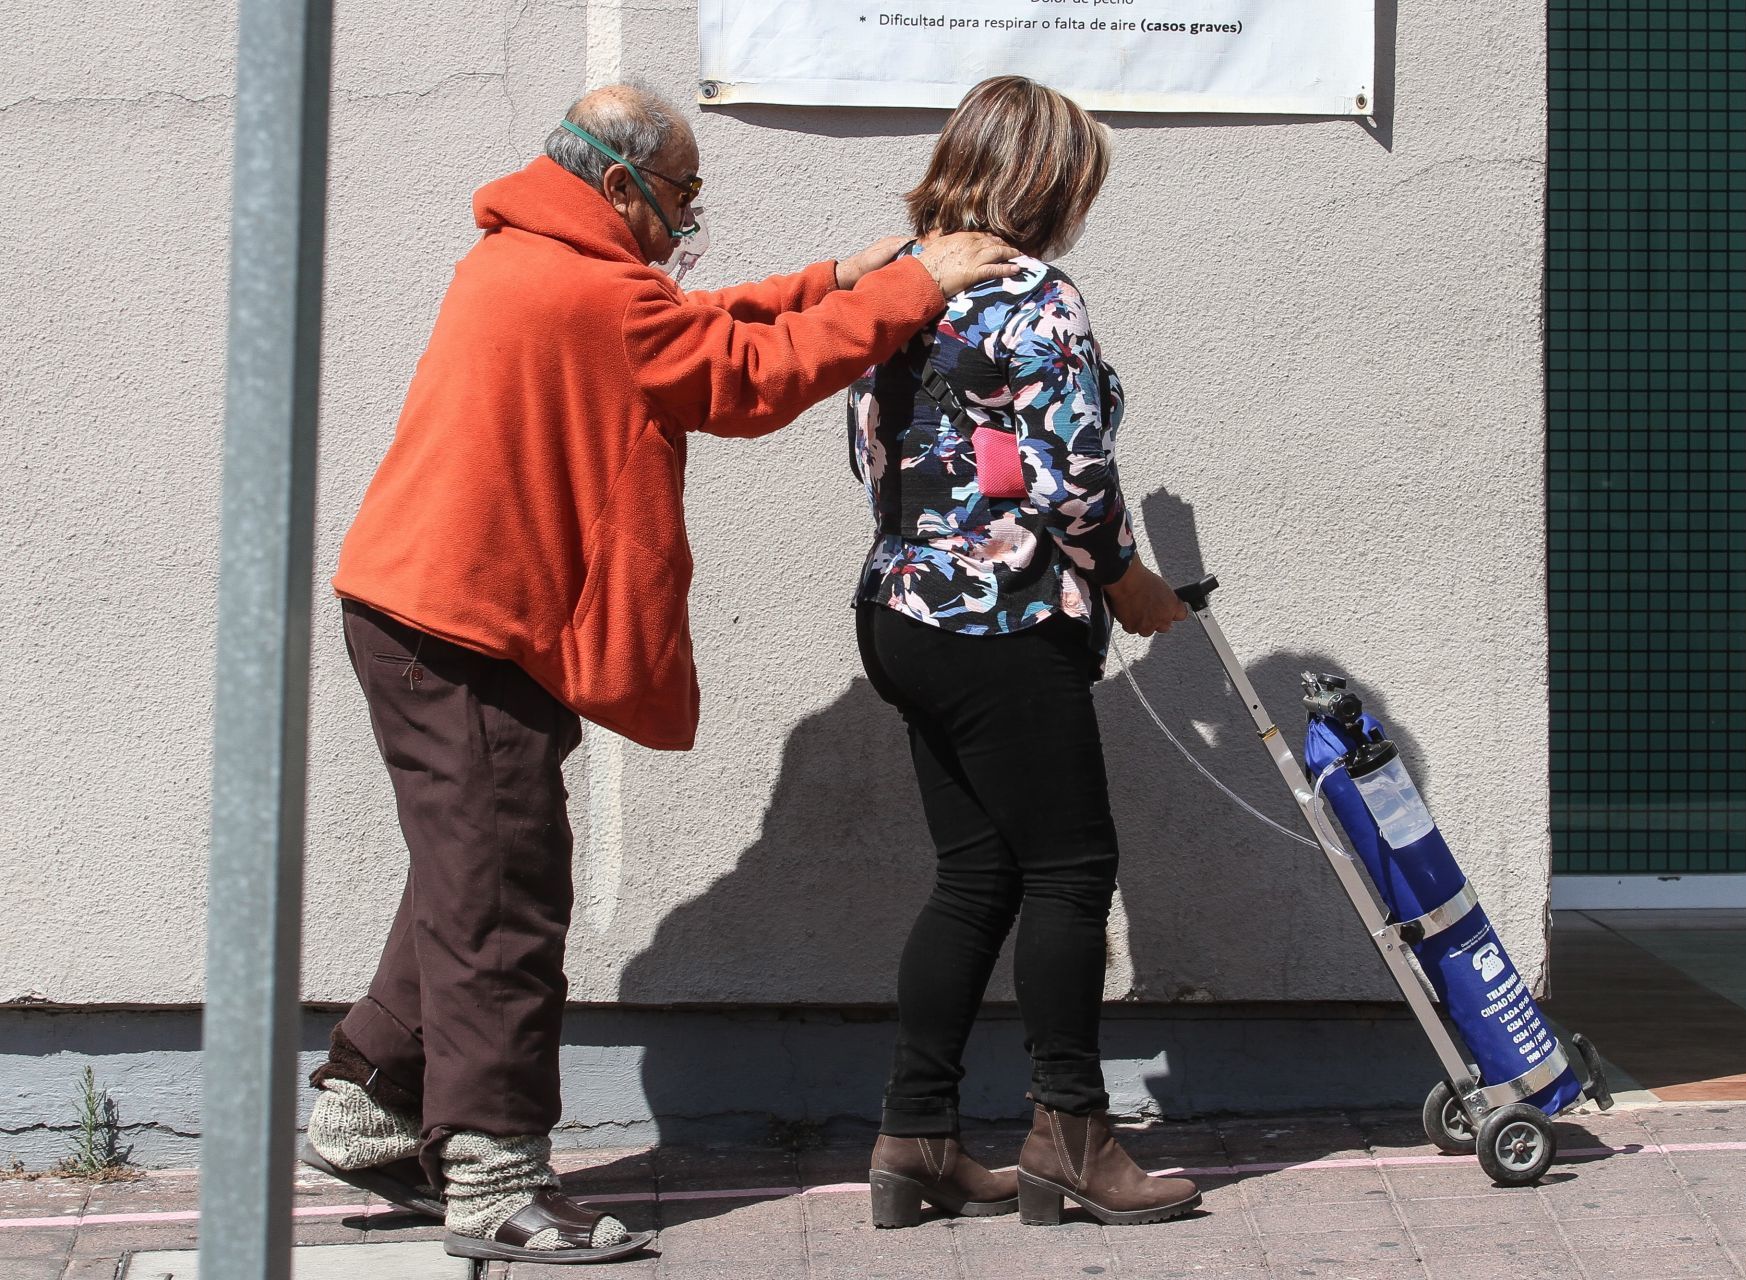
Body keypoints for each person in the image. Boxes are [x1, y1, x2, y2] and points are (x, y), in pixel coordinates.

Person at [299, 81, 1020, 1266]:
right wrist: (914, 286)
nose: (687, 218)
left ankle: (372, 1100)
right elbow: (744, 376)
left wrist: (834, 279)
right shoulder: (587, 287)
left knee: (473, 864)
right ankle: (494, 1176)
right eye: (681, 194)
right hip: (461, 625)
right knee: (502, 898)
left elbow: (690, 323)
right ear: (618, 182)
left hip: (433, 612)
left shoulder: (533, 254)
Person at [849, 76, 1200, 1230]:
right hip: (998, 619)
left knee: (976, 874)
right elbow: (1073, 478)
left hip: (902, 608)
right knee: (1069, 869)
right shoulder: (1034, 295)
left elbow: (884, 451)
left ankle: (916, 1135)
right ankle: (1071, 1134)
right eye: (1079, 186)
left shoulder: (902, 282)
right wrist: (1131, 583)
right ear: (1046, 184)